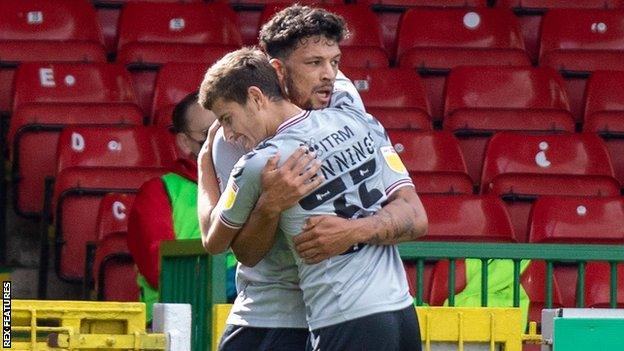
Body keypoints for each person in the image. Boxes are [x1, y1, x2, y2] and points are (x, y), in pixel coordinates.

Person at [200, 5, 428, 351]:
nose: (329, 75)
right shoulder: (235, 138)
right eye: (314, 63)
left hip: (346, 315)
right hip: (272, 316)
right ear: (277, 71)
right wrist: (268, 206)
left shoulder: (348, 109)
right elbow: (241, 251)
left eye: (334, 62)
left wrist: (355, 230)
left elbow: (413, 212)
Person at [127, 92, 236, 321]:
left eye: (228, 124)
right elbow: (161, 272)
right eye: (210, 133)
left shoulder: (254, 179)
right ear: (185, 142)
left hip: (246, 314)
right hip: (178, 322)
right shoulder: (159, 191)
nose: (225, 138)